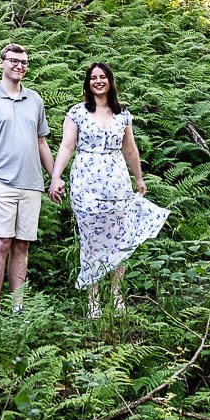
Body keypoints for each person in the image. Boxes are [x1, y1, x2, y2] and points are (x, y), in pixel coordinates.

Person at [49, 62, 169, 317]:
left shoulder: (122, 114)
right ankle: (93, 300)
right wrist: (56, 176)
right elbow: (67, 146)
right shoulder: (77, 113)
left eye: (103, 76)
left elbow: (130, 149)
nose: (98, 81)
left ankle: (116, 296)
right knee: (91, 239)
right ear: (88, 83)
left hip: (118, 184)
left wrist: (139, 178)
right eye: (93, 77)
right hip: (86, 183)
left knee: (120, 237)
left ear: (110, 81)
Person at [0, 41, 56, 310]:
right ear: (2, 63)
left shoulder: (35, 100)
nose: (19, 66)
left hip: (31, 184)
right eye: (14, 61)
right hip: (0, 183)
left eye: (24, 62)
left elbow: (41, 142)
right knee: (0, 243)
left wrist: (54, 177)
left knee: (22, 246)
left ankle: (18, 306)